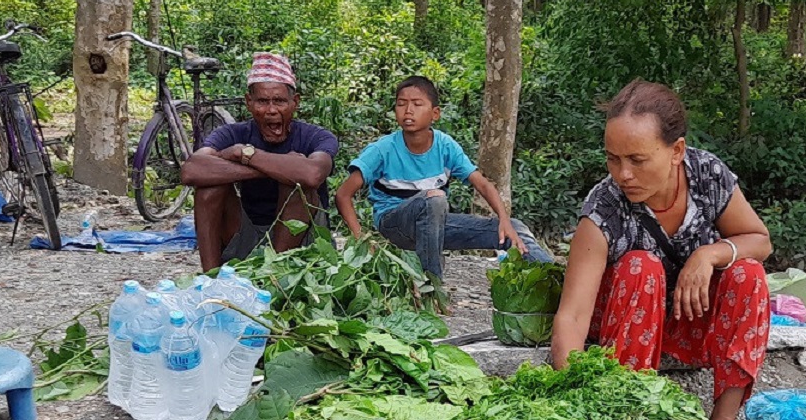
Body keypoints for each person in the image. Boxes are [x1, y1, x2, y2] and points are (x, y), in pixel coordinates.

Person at [550, 80, 772, 420]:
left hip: (691, 321)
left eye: (637, 159)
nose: (623, 174)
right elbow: (572, 316)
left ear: (676, 151)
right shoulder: (605, 206)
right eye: (613, 158)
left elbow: (759, 240)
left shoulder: (707, 176)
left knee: (748, 273)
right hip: (625, 333)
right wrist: (575, 398)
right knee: (641, 266)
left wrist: (708, 255)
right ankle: (631, 415)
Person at [334, 76, 553, 278]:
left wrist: (504, 221)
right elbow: (343, 195)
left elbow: (483, 185)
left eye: (417, 104)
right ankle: (432, 284)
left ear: (435, 113)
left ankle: (555, 279)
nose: (408, 110)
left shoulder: (445, 146)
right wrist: (361, 238)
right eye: (401, 104)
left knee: (515, 228)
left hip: (435, 225)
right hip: (395, 225)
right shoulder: (382, 149)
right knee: (434, 198)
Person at [181, 52, 338, 271]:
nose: (271, 110)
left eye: (280, 101)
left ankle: (273, 275)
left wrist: (247, 157)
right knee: (208, 189)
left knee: (296, 185)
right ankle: (211, 279)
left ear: (295, 102)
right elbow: (192, 170)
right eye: (262, 102)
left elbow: (313, 174)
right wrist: (275, 167)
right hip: (248, 234)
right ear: (249, 102)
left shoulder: (316, 136)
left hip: (303, 240)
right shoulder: (233, 134)